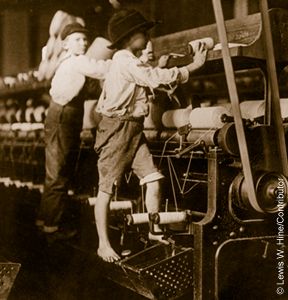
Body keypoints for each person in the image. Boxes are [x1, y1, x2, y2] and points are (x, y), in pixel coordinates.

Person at [93, 9, 207, 262]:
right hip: (118, 129)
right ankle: (103, 244)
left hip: (133, 128)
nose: (146, 39)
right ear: (130, 37)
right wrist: (193, 66)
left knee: (153, 178)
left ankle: (154, 229)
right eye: (143, 33)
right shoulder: (125, 60)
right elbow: (153, 78)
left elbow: (147, 84)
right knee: (106, 190)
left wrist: (161, 69)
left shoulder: (128, 61)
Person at [36, 22, 111, 240]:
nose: (84, 42)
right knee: (59, 172)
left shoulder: (66, 62)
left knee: (55, 170)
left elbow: (89, 86)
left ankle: (45, 219)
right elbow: (101, 69)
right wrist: (126, 61)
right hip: (64, 115)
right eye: (77, 39)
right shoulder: (77, 61)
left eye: (85, 39)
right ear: (66, 44)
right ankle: (52, 227)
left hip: (62, 114)